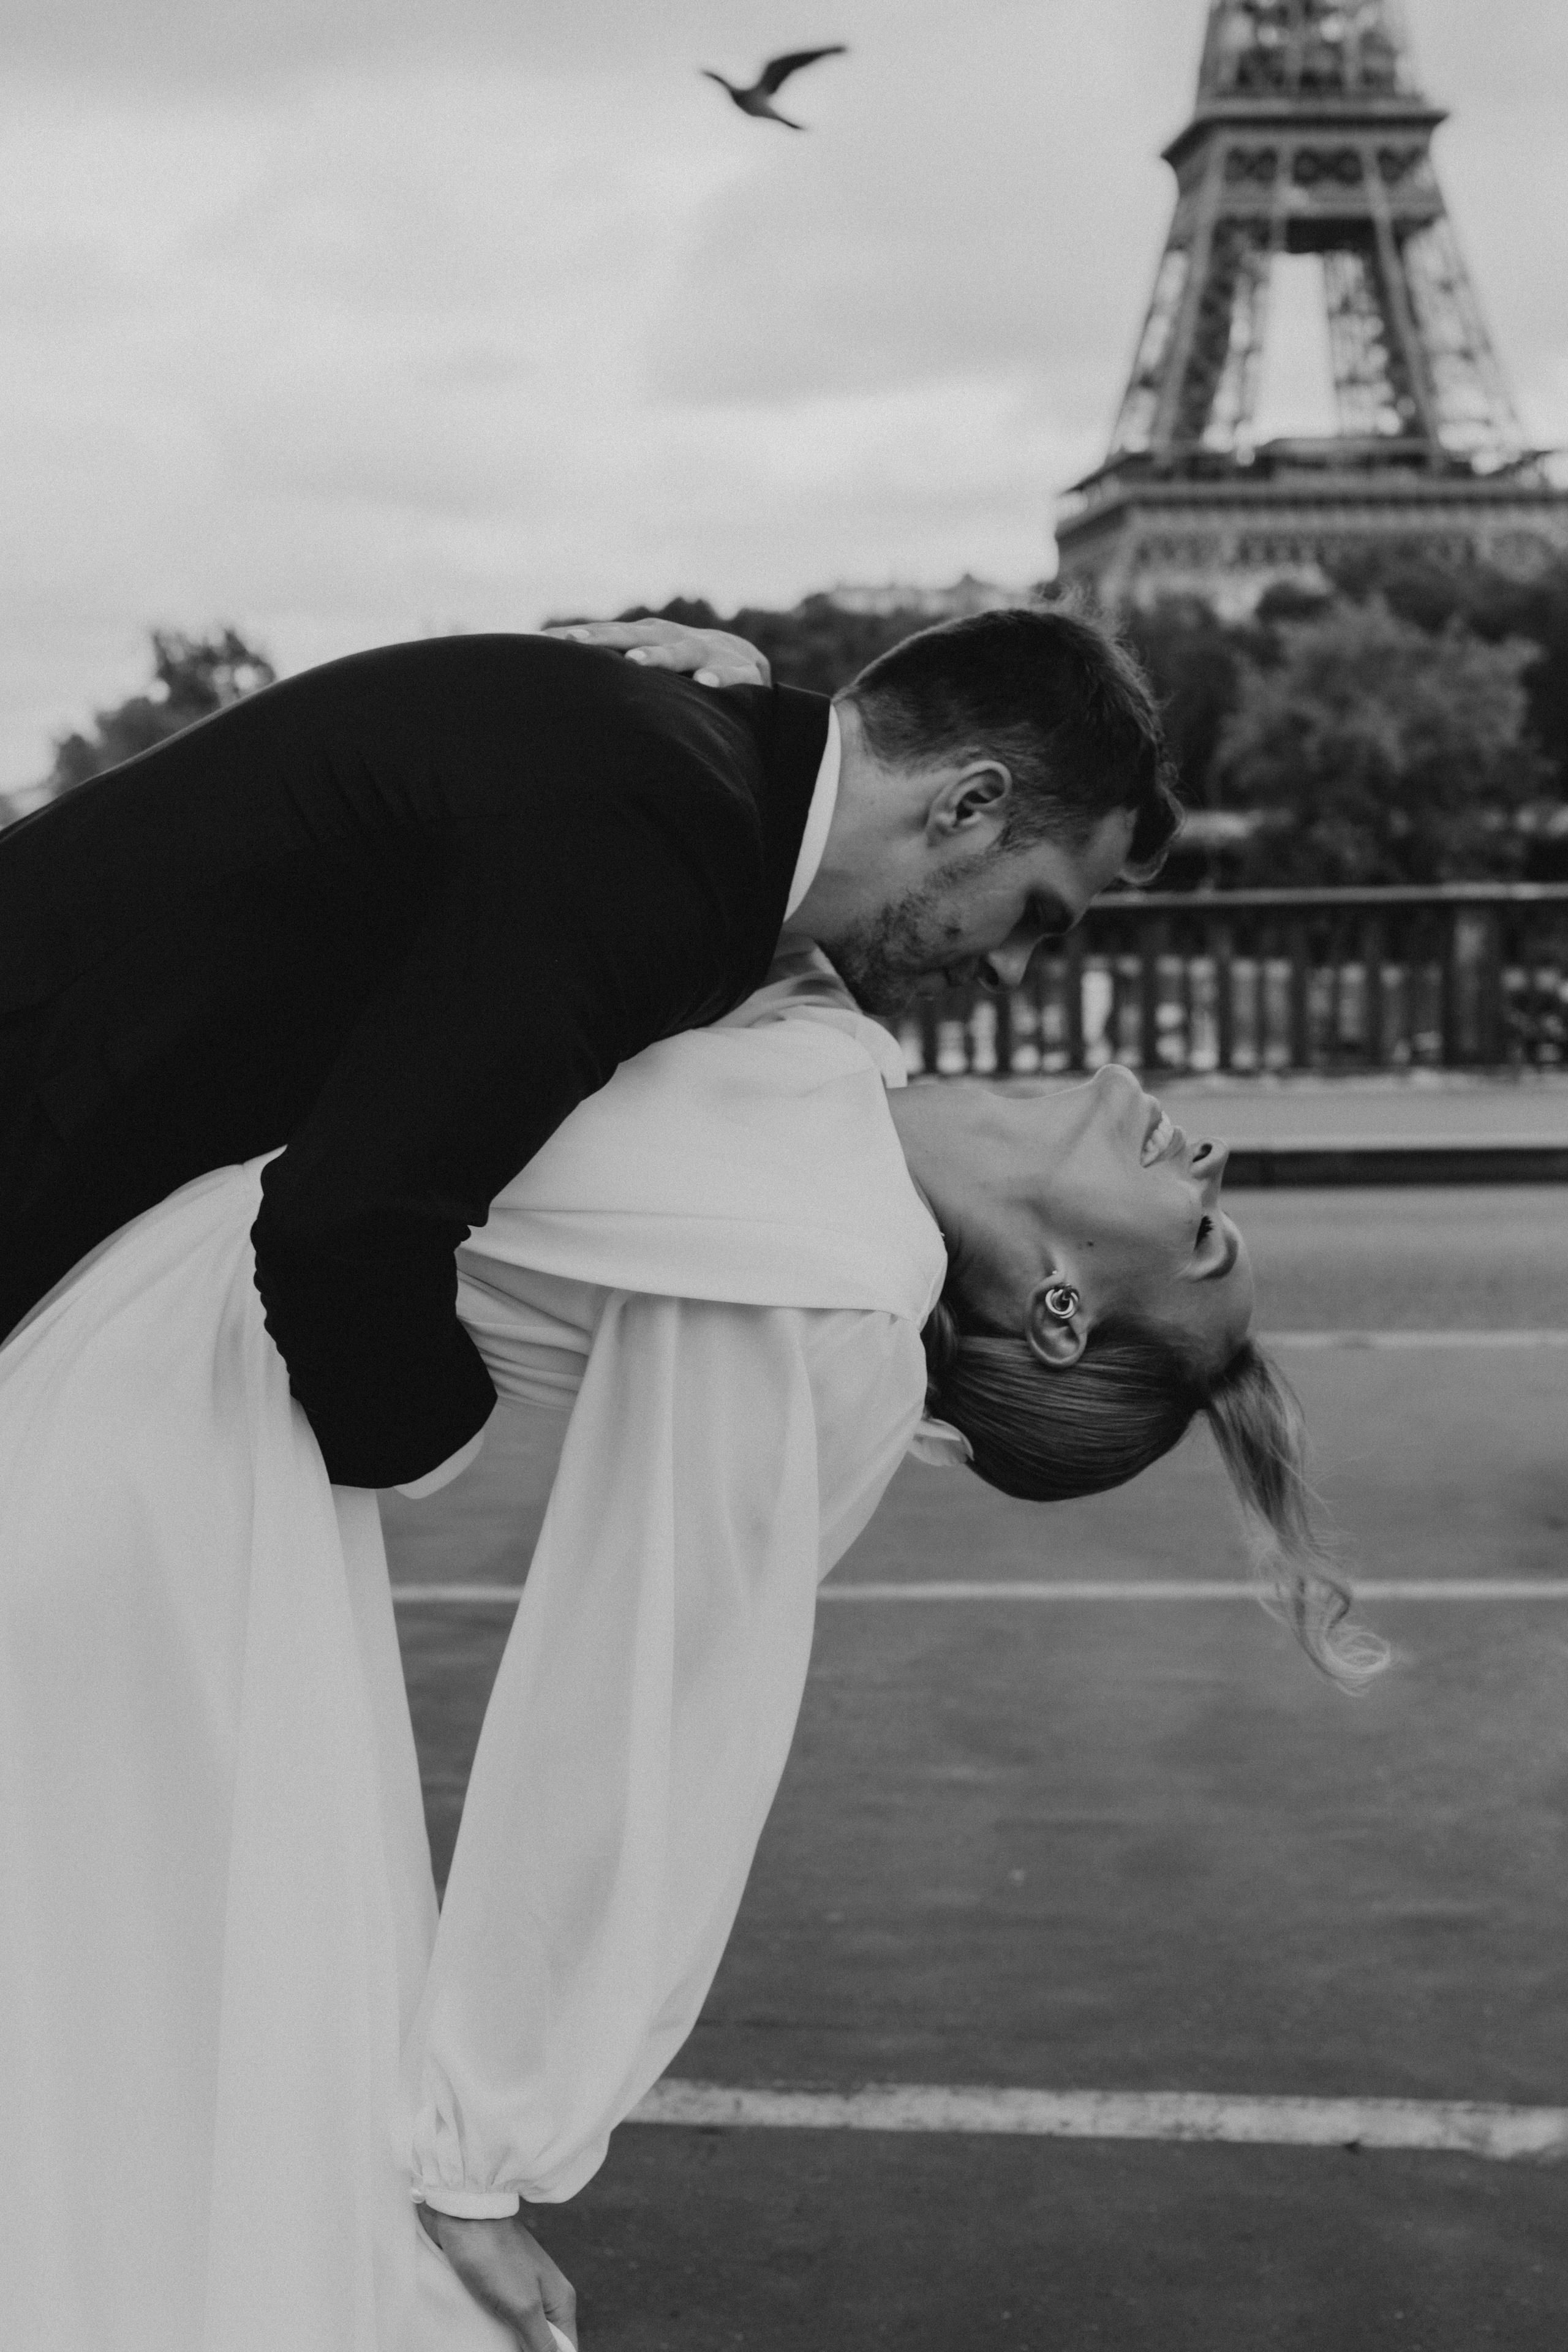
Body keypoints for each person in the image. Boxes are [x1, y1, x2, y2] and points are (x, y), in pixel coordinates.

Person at [0, 946, 1382, 2352]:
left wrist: (485, 2154)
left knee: (185, 2066)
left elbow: (648, 1710)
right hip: (145, 1329)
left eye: (1199, 1235)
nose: (1207, 1162)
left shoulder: (834, 1310)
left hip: (168, 1436)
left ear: (1059, 1306)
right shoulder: (846, 1076)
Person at [0, 605, 1179, 1499]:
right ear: (969, 805)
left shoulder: (692, 772)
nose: (1011, 969)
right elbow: (347, 1222)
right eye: (1034, 914)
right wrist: (430, 1445)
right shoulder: (668, 839)